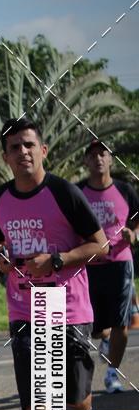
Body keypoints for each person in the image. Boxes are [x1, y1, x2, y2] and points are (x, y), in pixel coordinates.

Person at [0, 118, 108, 410]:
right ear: (5, 157)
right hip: (25, 309)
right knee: (35, 398)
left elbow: (101, 245)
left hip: (70, 309)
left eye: (28, 145)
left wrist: (56, 260)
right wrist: (2, 258)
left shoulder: (64, 193)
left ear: (43, 150)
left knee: (77, 396)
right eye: (14, 147)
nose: (22, 152)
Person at [79, 140, 139, 393]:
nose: (98, 159)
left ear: (111, 159)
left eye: (102, 154)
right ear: (86, 162)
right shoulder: (77, 192)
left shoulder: (125, 191)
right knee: (88, 324)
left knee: (121, 324)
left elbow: (137, 223)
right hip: (88, 265)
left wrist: (134, 236)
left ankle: (112, 374)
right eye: (92, 155)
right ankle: (99, 346)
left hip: (120, 263)